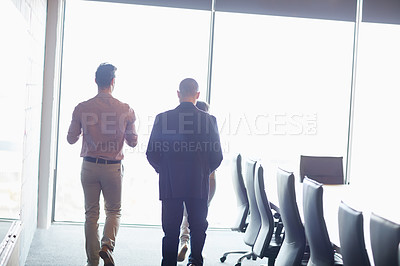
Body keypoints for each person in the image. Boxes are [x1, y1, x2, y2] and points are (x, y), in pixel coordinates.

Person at [146, 78, 223, 266]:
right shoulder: (209, 120)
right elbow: (217, 156)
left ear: (178, 94)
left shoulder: (162, 118)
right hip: (198, 182)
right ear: (197, 95)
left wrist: (164, 171)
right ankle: (195, 261)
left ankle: (168, 263)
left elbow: (151, 153)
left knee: (170, 229)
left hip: (170, 183)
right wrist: (204, 171)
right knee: (198, 227)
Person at [67, 63, 138, 266]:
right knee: (113, 211)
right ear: (113, 82)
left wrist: (86, 128)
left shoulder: (82, 107)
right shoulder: (126, 109)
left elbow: (71, 139)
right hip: (113, 168)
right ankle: (106, 246)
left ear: (96, 81)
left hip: (89, 166)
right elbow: (133, 142)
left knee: (91, 214)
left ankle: (92, 261)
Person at [177, 101, 217, 262]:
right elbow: (217, 157)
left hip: (188, 179)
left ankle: (184, 242)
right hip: (208, 180)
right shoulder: (210, 130)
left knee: (186, 214)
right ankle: (195, 251)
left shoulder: (187, 131)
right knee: (200, 220)